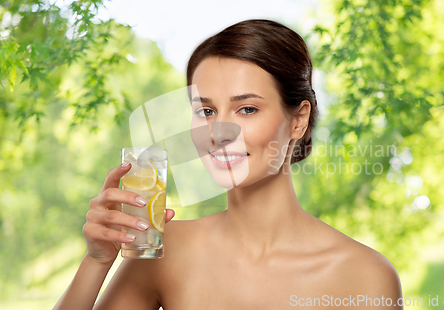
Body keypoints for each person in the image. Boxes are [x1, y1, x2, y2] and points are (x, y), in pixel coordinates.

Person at [54, 19, 403, 310]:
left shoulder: (364, 277)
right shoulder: (164, 251)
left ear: (298, 120)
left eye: (247, 109)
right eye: (205, 111)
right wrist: (97, 261)